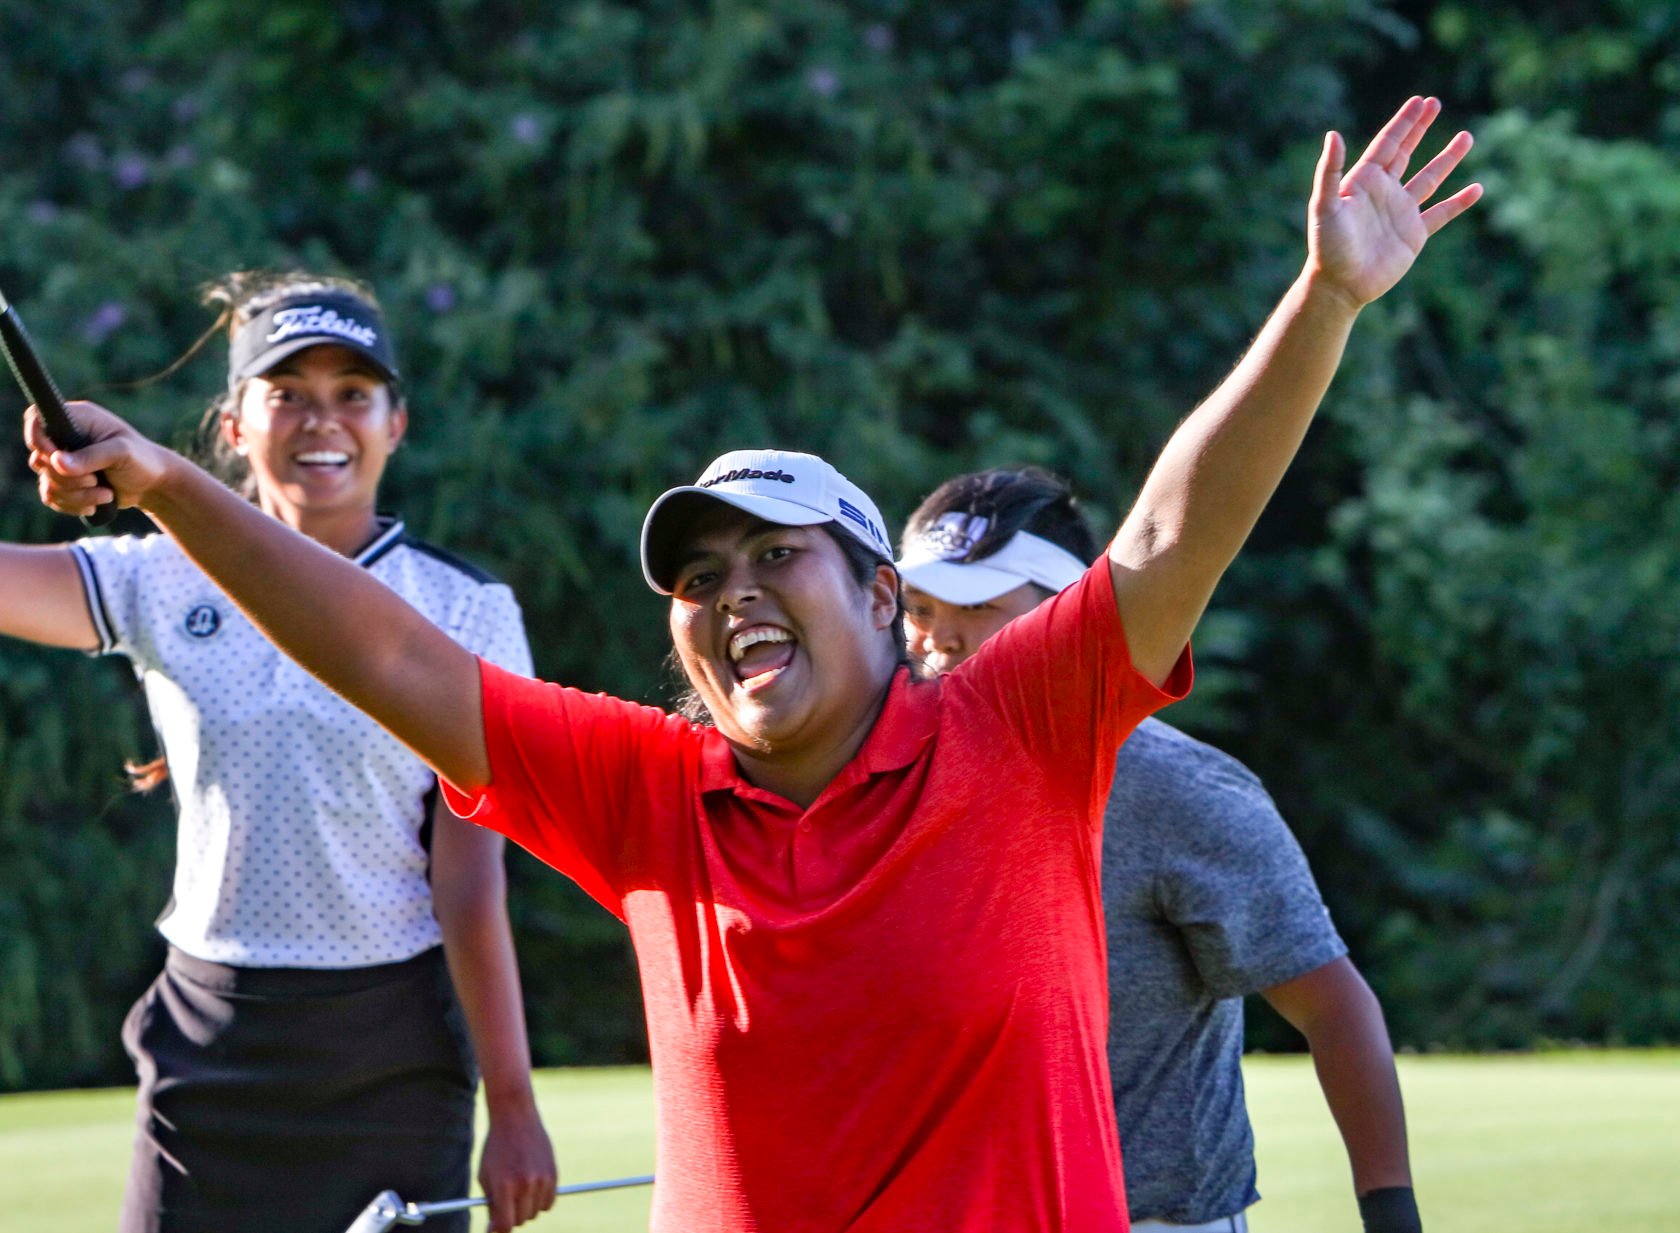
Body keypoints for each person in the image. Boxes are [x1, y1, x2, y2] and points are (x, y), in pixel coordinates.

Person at [26, 99, 1478, 1232]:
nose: (734, 597)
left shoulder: (1018, 729)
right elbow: (384, 647)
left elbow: (1174, 525)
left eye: (779, 557)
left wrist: (1325, 306)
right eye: (701, 577)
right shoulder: (652, 794)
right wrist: (164, 483)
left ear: (878, 590)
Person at [0, 272, 557, 1233]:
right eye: (286, 392)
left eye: (352, 393)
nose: (320, 420)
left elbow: (470, 882)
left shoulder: (468, 610)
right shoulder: (160, 577)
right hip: (209, 1047)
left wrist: (512, 1103)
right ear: (233, 420)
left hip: (392, 1055)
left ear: (397, 423)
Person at [898, 465, 1419, 1233]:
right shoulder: (875, 781)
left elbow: (1332, 1007)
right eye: (918, 606)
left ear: (1062, 614)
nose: (936, 635)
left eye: (975, 605)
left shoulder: (1179, 789)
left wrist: (1390, 1213)